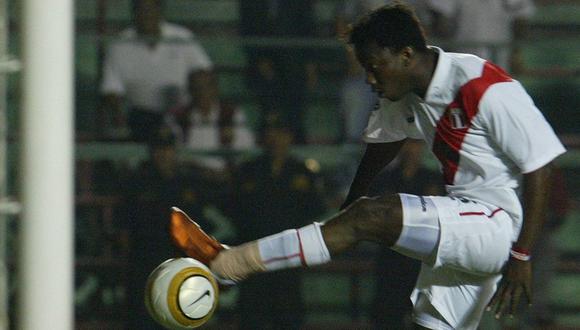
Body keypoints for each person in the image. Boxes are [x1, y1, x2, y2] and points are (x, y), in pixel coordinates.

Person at [170, 4, 565, 329]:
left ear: (407, 54)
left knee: (373, 215)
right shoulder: (404, 90)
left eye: (374, 67)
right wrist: (353, 200)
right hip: (466, 224)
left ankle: (228, 263)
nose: (369, 79)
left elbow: (540, 166)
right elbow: (382, 146)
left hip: (498, 227)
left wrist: (522, 257)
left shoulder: (485, 86)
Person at [229, 113, 327, 329]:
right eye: (270, 133)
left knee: (288, 316)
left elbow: (315, 210)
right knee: (252, 317)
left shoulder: (302, 173)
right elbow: (233, 209)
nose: (275, 139)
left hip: (287, 259)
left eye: (280, 133)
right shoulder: (248, 171)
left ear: (289, 137)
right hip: (254, 258)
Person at [100, 0, 213, 141]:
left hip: (183, 113)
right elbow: (111, 89)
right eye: (141, 10)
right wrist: (120, 117)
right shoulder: (120, 44)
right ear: (133, 13)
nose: (145, 15)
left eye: (150, 10)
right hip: (141, 118)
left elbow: (204, 73)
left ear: (160, 11)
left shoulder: (182, 37)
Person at [367, 139, 443, 329]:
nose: (411, 149)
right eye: (407, 144)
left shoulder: (432, 180)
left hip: (422, 262)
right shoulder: (384, 180)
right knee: (387, 317)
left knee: (424, 320)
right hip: (391, 259)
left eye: (416, 144)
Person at [239, 0, 318, 144]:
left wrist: (310, 64)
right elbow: (246, 29)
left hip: (294, 61)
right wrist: (259, 59)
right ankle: (268, 136)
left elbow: (308, 28)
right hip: (261, 60)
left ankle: (296, 137)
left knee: (295, 86)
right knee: (266, 87)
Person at [167, 69, 255, 179]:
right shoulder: (177, 117)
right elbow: (173, 154)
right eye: (196, 87)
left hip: (227, 178)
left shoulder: (232, 113)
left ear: (215, 89)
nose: (202, 92)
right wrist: (201, 172)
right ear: (189, 90)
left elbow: (246, 149)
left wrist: (228, 172)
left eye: (207, 86)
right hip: (191, 178)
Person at [426, 0, 535, 73]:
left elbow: (520, 20)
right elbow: (441, 22)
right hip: (464, 55)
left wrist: (516, 52)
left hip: (490, 56)